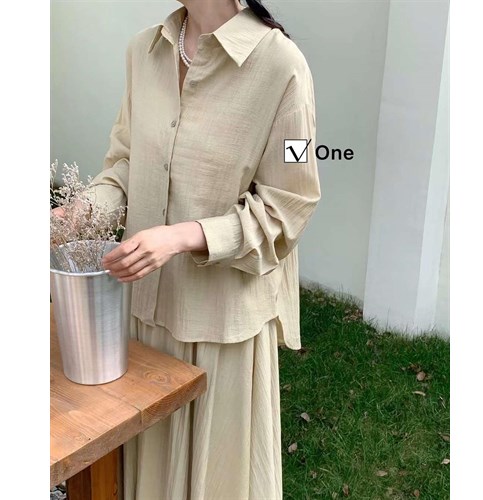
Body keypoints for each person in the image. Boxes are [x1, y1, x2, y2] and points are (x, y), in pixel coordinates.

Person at [55, 0, 321, 498]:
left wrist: (181, 236)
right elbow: (126, 163)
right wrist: (81, 212)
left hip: (219, 330)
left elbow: (290, 204)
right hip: (140, 317)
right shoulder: (143, 51)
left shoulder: (283, 68)